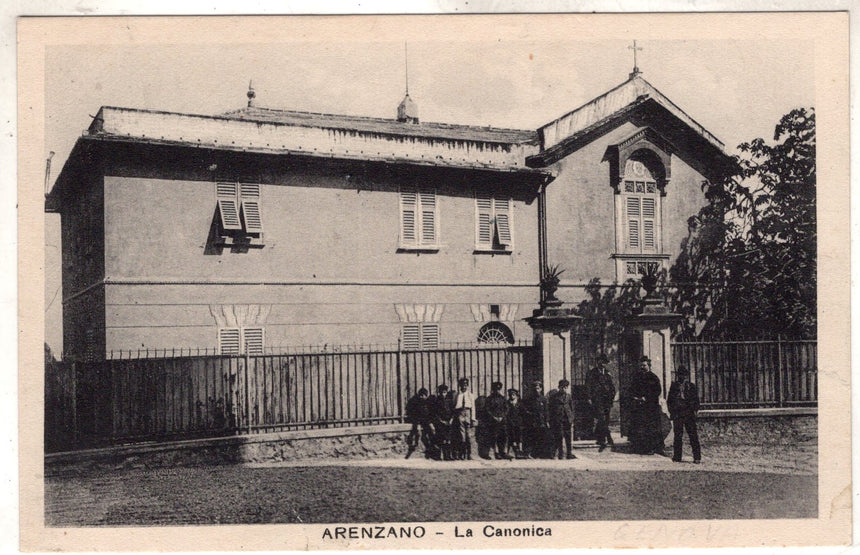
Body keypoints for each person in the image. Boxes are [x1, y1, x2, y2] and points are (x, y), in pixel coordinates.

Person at [627, 356, 664, 455]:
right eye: (641, 365)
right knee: (638, 427)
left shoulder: (653, 377)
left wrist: (646, 398)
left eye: (644, 365)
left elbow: (657, 391)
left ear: (649, 366)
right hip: (639, 407)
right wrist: (634, 397)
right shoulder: (637, 377)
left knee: (650, 428)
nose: (642, 367)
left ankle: (652, 448)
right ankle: (638, 448)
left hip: (650, 407)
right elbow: (631, 389)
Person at [667, 365, 702, 463]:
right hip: (678, 413)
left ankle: (697, 457)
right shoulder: (674, 386)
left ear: (686, 376)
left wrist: (695, 410)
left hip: (688, 413)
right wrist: (672, 412)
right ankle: (677, 456)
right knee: (678, 436)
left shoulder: (691, 386)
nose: (682, 377)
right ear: (678, 376)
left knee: (693, 435)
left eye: (684, 375)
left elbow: (696, 401)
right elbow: (669, 401)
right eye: (680, 375)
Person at [585, 353, 616, 450]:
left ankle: (599, 438)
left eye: (605, 362)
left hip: (607, 400)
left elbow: (612, 386)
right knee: (601, 418)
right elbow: (588, 387)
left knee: (605, 419)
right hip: (597, 399)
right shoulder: (591, 373)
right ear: (598, 362)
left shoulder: (607, 373)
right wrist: (589, 398)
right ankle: (607, 438)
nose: (603, 364)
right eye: (601, 362)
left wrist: (612, 396)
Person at [548, 379, 576, 460]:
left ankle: (569, 453)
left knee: (568, 436)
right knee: (559, 436)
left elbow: (572, 408)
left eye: (565, 387)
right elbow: (551, 408)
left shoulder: (569, 396)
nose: (564, 389)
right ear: (559, 387)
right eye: (562, 387)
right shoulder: (554, 397)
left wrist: (572, 418)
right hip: (558, 419)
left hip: (567, 419)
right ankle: (560, 454)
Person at [522, 380, 549, 458]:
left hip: (541, 421)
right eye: (534, 388)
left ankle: (539, 453)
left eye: (538, 388)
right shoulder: (528, 399)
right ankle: (530, 453)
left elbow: (546, 411)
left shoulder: (543, 399)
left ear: (540, 389)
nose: (536, 390)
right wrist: (529, 415)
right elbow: (524, 409)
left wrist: (546, 421)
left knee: (541, 437)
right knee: (532, 437)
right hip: (532, 421)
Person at [484, 381, 510, 459]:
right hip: (493, 421)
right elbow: (487, 409)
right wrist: (493, 417)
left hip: (502, 421)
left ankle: (503, 452)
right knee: (494, 436)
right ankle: (496, 452)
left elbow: (507, 409)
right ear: (493, 389)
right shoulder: (489, 399)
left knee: (504, 436)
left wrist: (502, 416)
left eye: (499, 389)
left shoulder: (503, 398)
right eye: (495, 389)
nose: (497, 391)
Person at [451, 377, 475, 460]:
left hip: (468, 413)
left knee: (468, 436)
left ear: (467, 386)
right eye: (462, 385)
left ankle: (469, 454)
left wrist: (473, 418)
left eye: (465, 385)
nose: (464, 387)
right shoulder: (457, 395)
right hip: (460, 413)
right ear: (460, 385)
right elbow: (454, 406)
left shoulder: (470, 395)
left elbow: (473, 408)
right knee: (461, 436)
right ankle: (462, 453)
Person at [404, 387, 433, 459]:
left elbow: (428, 413)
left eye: (424, 395)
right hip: (416, 420)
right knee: (418, 432)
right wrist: (417, 424)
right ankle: (414, 445)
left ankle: (430, 448)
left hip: (424, 420)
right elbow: (412, 413)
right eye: (421, 395)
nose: (422, 397)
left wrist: (429, 422)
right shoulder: (414, 401)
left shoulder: (427, 402)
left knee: (430, 431)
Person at [429, 384, 455, 461]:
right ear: (439, 392)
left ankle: (447, 456)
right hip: (440, 423)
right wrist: (441, 421)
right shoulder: (437, 401)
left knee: (448, 439)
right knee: (440, 439)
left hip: (449, 422)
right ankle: (438, 456)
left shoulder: (449, 401)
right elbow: (435, 413)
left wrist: (451, 420)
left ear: (446, 392)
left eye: (445, 392)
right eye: (441, 392)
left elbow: (453, 411)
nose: (443, 394)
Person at [505, 388, 524, 459]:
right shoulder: (507, 403)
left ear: (516, 395)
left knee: (519, 437)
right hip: (510, 423)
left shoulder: (519, 404)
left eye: (513, 395)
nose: (512, 396)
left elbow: (523, 412)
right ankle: (511, 452)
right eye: (510, 395)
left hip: (518, 423)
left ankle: (520, 451)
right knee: (511, 437)